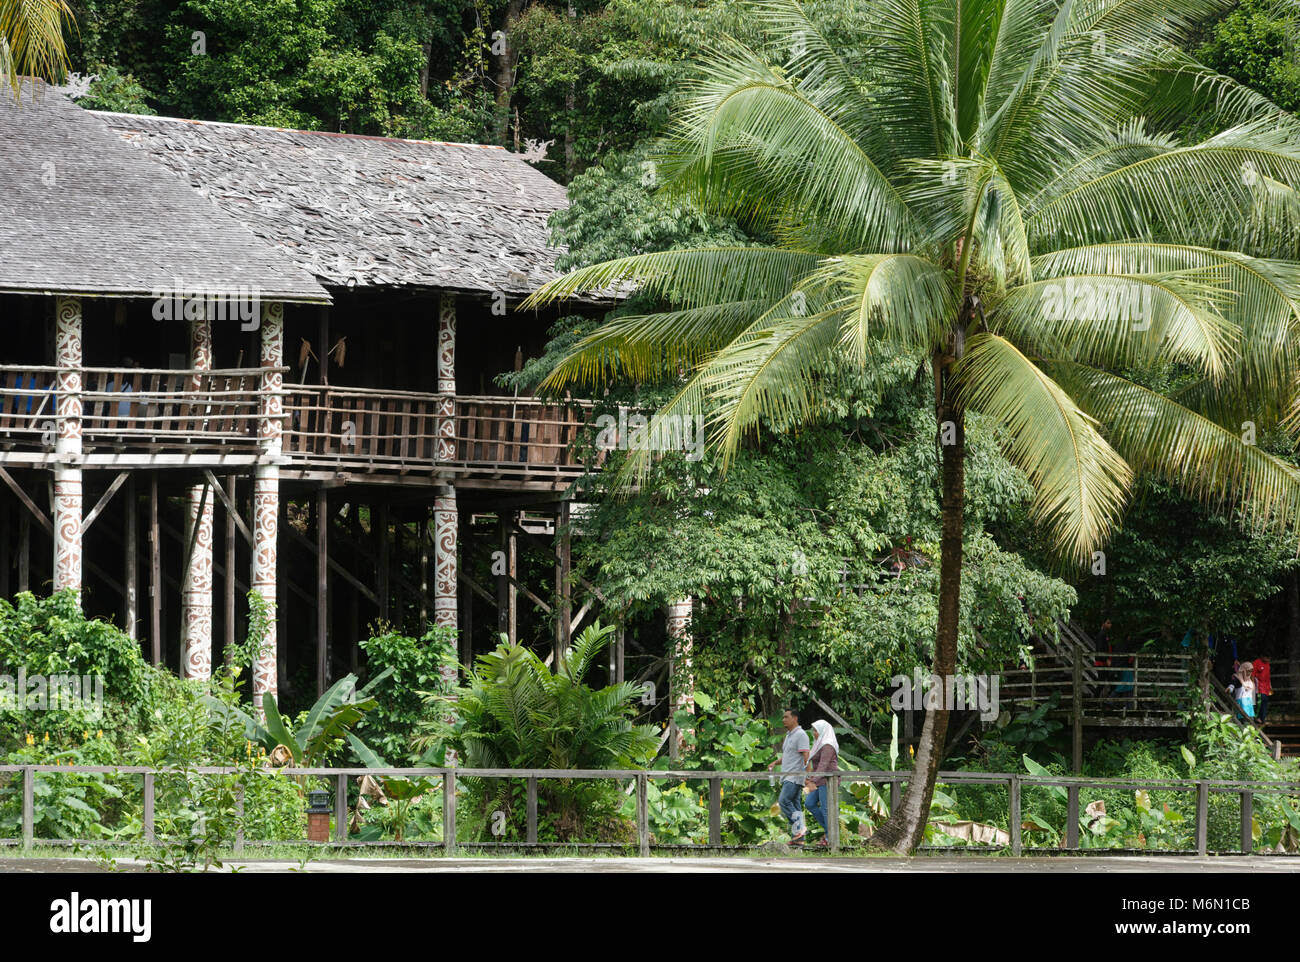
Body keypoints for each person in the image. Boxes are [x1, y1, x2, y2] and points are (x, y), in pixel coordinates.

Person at [769, 707, 809, 846]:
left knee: (784, 801)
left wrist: (807, 775)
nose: (783, 720)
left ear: (795, 718)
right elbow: (787, 756)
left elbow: (806, 756)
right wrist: (775, 762)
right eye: (783, 717)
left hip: (795, 776)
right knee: (796, 806)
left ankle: (800, 828)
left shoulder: (801, 735)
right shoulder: (789, 735)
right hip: (787, 775)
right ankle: (798, 839)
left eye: (786, 717)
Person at [803, 719, 840, 848]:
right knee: (809, 803)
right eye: (813, 730)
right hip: (820, 779)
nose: (814, 733)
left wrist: (812, 782)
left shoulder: (828, 745)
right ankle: (830, 831)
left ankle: (830, 838)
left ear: (823, 731)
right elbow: (816, 765)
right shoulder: (818, 744)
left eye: (816, 731)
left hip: (828, 780)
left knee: (825, 809)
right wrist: (810, 778)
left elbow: (823, 765)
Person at [1255, 656, 1273, 722]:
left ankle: (1263, 718)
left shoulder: (1267, 664)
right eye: (1267, 658)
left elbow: (1268, 676)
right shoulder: (1256, 663)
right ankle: (1257, 717)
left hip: (1266, 687)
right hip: (1259, 687)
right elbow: (1253, 675)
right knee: (1260, 702)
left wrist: (1270, 686)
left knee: (1265, 702)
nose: (1268, 660)